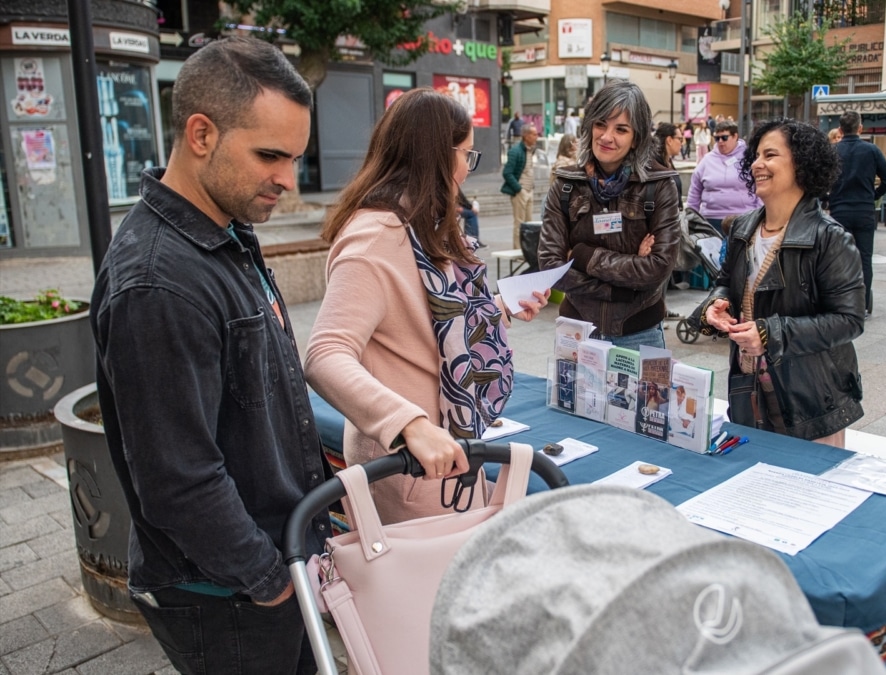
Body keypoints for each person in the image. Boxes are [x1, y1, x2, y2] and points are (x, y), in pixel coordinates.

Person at [90, 37, 328, 674]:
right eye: (270, 155)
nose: (287, 179)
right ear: (200, 134)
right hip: (229, 596)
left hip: (263, 572)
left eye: (295, 158)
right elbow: (178, 480)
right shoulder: (158, 282)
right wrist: (270, 580)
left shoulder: (224, 233)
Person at [305, 89, 547, 525]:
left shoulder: (415, 226)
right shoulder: (378, 237)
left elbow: (422, 324)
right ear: (436, 155)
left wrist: (497, 308)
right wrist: (410, 424)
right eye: (465, 156)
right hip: (410, 464)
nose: (465, 172)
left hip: (440, 454)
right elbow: (325, 355)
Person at [690, 119, 865, 448]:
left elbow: (849, 320)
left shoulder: (830, 238)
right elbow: (725, 283)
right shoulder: (743, 228)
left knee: (810, 491)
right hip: (748, 392)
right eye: (756, 156)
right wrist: (714, 306)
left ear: (801, 163)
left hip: (812, 398)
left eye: (770, 155)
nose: (757, 164)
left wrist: (770, 334)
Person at [538, 80, 681, 349]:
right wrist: (621, 284)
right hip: (577, 328)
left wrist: (582, 256)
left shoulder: (659, 186)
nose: (606, 136)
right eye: (600, 124)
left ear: (636, 137)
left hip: (640, 331)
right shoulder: (566, 184)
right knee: (574, 394)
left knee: (643, 395)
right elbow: (551, 266)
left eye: (621, 129)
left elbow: (659, 267)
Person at [828, 110, 886, 315]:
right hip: (865, 210)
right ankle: (863, 304)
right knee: (865, 258)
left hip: (840, 210)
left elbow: (822, 180)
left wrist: (829, 198)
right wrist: (874, 195)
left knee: (840, 258)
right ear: (860, 128)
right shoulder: (871, 150)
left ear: (840, 129)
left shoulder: (834, 151)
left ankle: (842, 301)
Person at [687, 119, 762, 231]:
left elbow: (761, 185)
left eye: (724, 138)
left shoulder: (749, 158)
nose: (720, 141)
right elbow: (695, 191)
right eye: (717, 138)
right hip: (711, 218)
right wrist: (691, 218)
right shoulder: (707, 160)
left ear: (735, 136)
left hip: (744, 217)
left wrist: (758, 214)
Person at [501, 123, 539, 249]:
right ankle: (518, 250)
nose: (536, 137)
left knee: (529, 223)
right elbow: (507, 172)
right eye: (534, 134)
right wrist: (519, 189)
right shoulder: (515, 151)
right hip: (521, 191)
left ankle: (527, 250)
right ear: (526, 136)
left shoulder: (531, 149)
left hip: (529, 190)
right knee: (519, 223)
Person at [653, 122, 685, 201]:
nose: (682, 143)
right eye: (680, 139)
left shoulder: (667, 161)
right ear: (669, 140)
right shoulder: (655, 165)